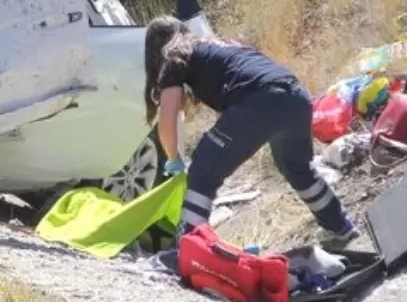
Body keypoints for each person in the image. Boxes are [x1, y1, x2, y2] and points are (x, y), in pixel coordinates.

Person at [144, 16, 359, 244]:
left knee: (202, 172)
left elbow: (166, 122)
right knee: (297, 168)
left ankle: (188, 249)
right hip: (295, 94)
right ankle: (340, 227)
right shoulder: (219, 45)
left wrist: (173, 159)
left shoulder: (173, 57)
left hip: (260, 100)